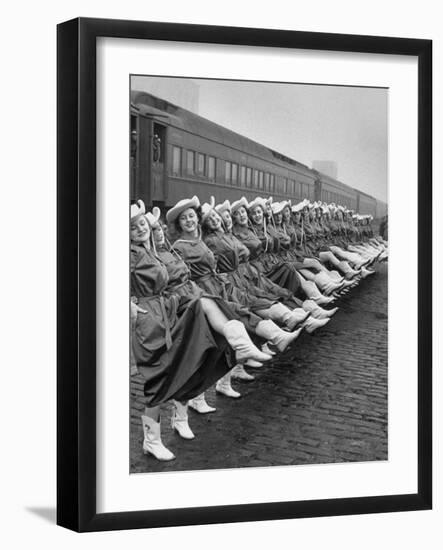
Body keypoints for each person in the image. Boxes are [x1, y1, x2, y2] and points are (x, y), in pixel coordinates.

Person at [131, 200, 271, 459]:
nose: (142, 229)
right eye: (134, 227)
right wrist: (129, 304)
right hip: (149, 320)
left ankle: (175, 420)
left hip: (165, 312)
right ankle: (151, 439)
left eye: (144, 225)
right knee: (159, 377)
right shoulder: (130, 254)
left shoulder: (150, 251)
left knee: (182, 362)